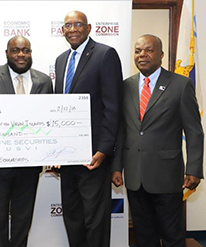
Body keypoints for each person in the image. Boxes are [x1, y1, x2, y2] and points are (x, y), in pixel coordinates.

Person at [112, 34, 204, 247]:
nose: (142, 54)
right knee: (144, 236)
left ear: (161, 55)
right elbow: (122, 130)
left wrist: (193, 169)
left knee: (172, 236)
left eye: (148, 50)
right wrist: (116, 167)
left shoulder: (180, 85)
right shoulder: (126, 86)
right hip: (135, 177)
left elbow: (194, 131)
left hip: (167, 176)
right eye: (138, 51)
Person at [0, 35, 53, 247]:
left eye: (25, 50)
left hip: (29, 167)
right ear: (7, 53)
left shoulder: (44, 81)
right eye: (16, 50)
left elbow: (50, 122)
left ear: (31, 53)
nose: (21, 55)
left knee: (22, 222)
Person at [54, 10, 123, 247]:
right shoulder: (61, 60)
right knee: (72, 217)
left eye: (78, 24)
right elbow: (59, 108)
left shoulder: (105, 55)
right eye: (67, 25)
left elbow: (113, 107)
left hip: (94, 156)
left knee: (95, 220)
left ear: (89, 28)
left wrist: (104, 150)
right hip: (66, 156)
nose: (72, 29)